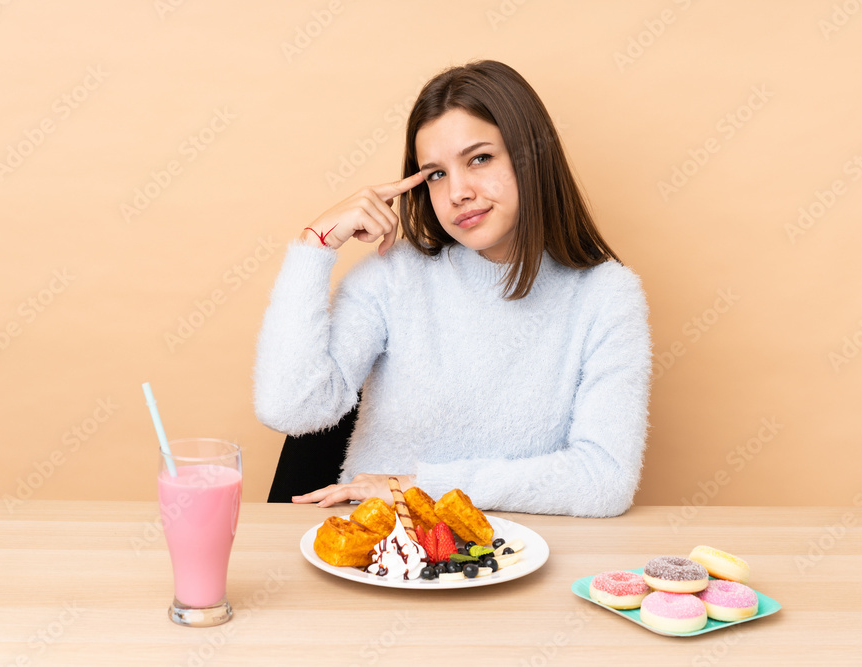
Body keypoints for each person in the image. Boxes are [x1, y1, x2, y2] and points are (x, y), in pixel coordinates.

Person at [253, 59, 651, 517]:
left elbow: (604, 480)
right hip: (382, 544)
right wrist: (314, 246)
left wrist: (418, 487)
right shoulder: (392, 276)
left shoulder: (606, 295)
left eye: (479, 159)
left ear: (531, 156)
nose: (458, 192)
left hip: (516, 550)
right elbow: (289, 409)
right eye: (437, 174)